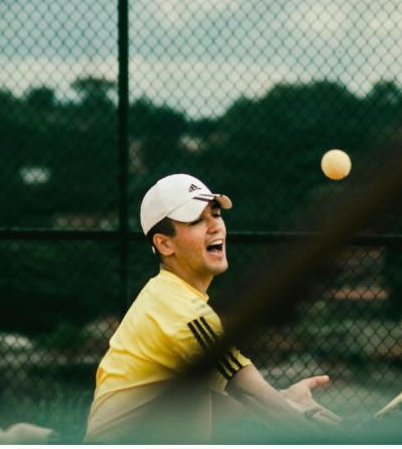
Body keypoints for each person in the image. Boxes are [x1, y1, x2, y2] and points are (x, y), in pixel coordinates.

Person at [84, 173, 341, 443]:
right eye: (196, 220)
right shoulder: (182, 311)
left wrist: (285, 399)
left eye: (216, 215)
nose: (215, 227)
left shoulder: (164, 296)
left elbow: (226, 405)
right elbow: (251, 395)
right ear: (164, 243)